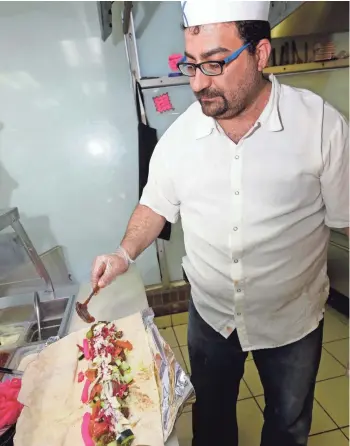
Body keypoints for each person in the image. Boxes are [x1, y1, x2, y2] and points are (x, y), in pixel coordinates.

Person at [91, 1, 349, 445]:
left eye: (214, 64)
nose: (197, 83)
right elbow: (155, 204)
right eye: (191, 65)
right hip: (211, 316)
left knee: (287, 425)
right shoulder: (180, 137)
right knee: (210, 422)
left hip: (291, 319)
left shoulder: (320, 126)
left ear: (260, 54)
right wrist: (122, 252)